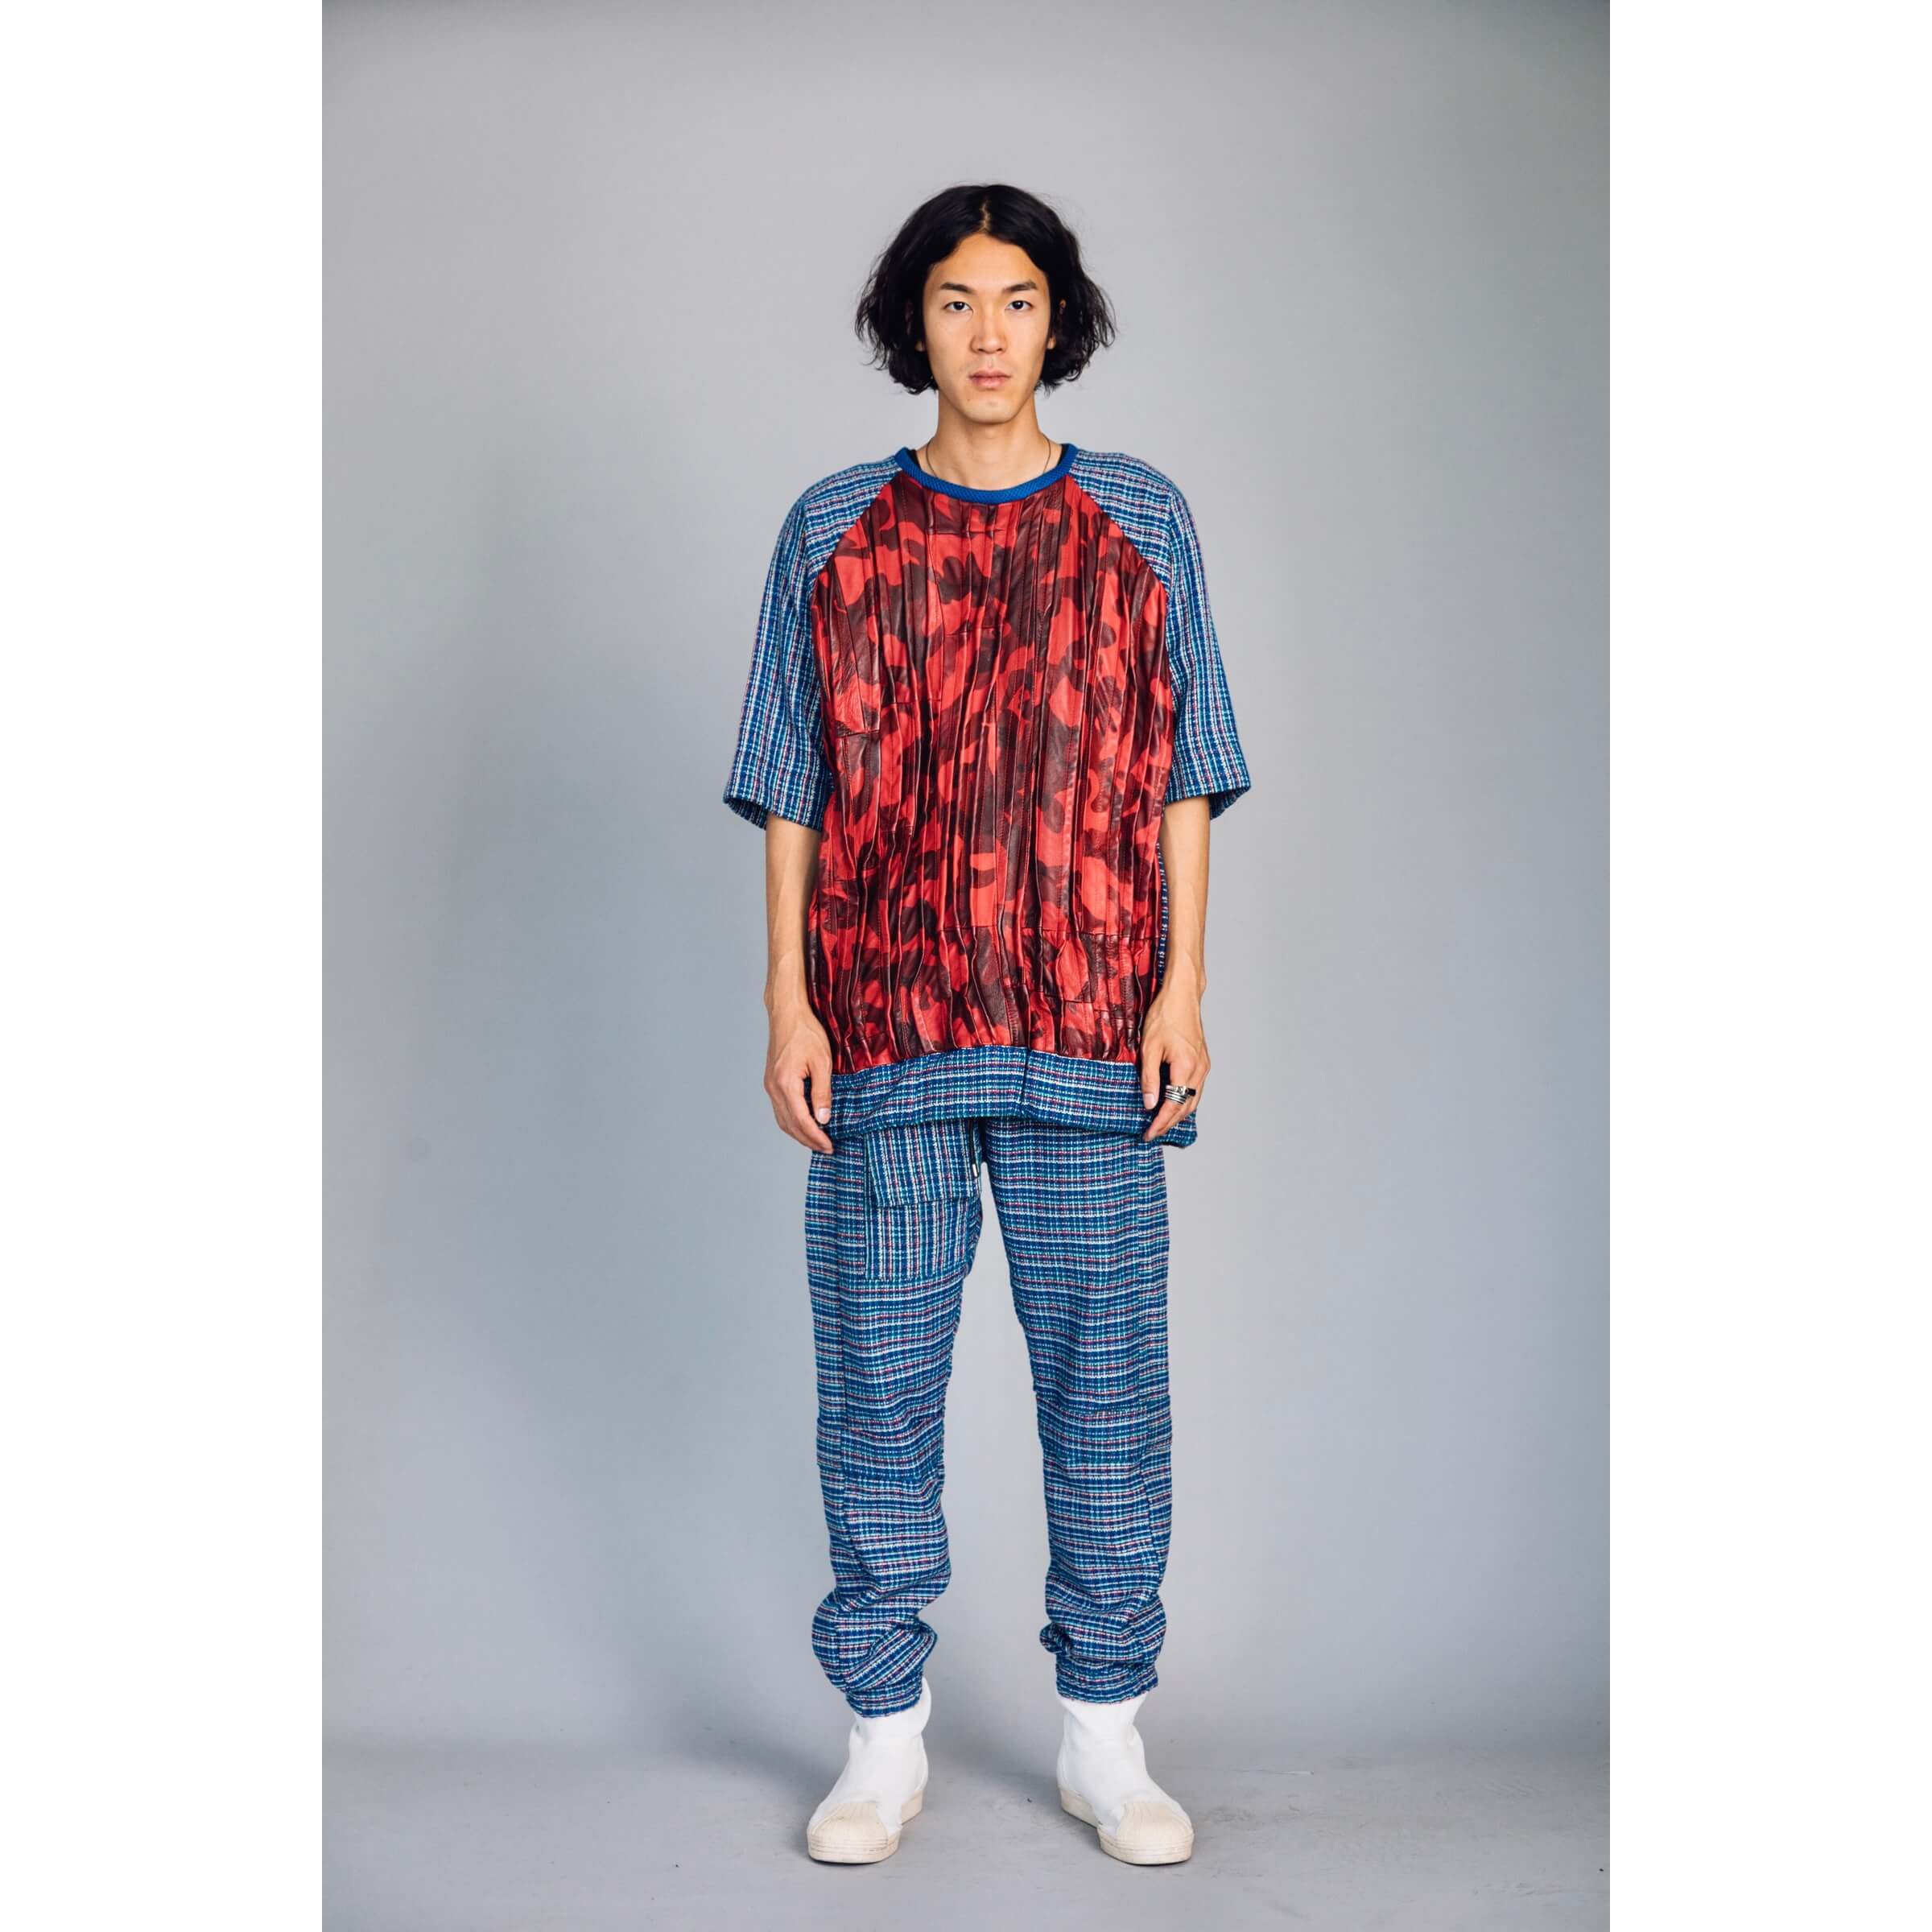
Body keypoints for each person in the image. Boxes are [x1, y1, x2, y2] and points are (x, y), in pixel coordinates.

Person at [722, 182, 1251, 1867]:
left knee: (1110, 1395)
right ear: (914, 324)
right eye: (956, 301)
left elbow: (1184, 768)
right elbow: (793, 779)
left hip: (1092, 1029)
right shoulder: (832, 529)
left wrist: (1182, 984)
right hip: (883, 1033)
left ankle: (1106, 1737)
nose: (990, 334)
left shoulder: (1141, 519)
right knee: (876, 1388)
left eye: (1019, 300)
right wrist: (790, 996)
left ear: (1060, 321)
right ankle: (883, 1743)